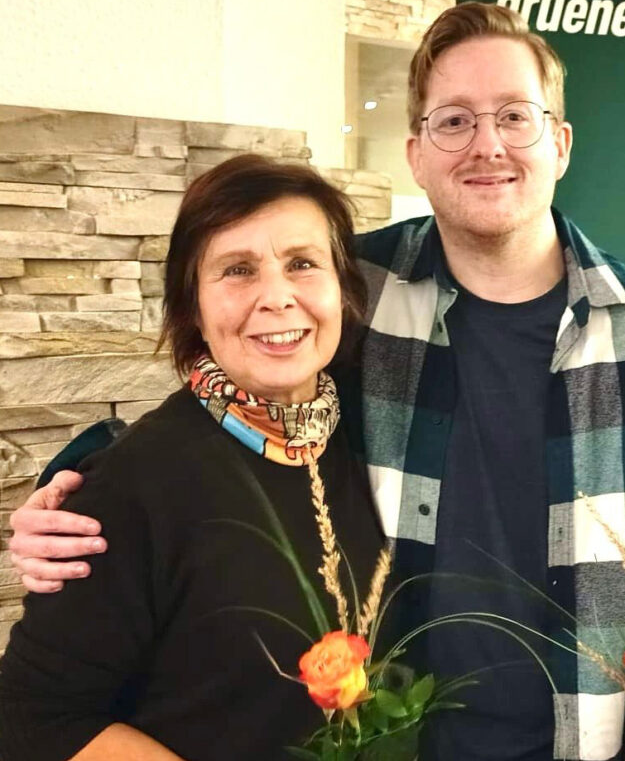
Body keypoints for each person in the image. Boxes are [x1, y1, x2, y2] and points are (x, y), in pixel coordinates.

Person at [6, 3, 625, 761]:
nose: (487, 144)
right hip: (399, 737)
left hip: (589, 739)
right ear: (416, 152)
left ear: (559, 141)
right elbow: (238, 383)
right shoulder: (358, 293)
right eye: (453, 121)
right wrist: (82, 473)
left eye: (513, 116)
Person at [0, 155, 384, 761]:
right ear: (192, 308)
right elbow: (34, 716)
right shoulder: (132, 483)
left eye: (303, 264)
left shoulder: (371, 437)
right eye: (238, 270)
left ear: (344, 291)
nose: (277, 297)